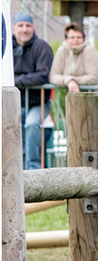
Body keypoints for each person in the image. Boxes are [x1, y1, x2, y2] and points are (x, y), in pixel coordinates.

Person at [11, 14, 54, 169]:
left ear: (33, 28)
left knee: (31, 125)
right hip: (14, 103)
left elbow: (43, 75)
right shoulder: (7, 46)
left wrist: (17, 81)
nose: (24, 29)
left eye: (28, 26)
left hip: (38, 102)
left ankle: (33, 169)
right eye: (21, 25)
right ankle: (16, 169)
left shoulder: (41, 47)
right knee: (13, 129)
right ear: (13, 27)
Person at [50, 23, 98, 94]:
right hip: (73, 98)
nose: (75, 40)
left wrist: (74, 81)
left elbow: (93, 77)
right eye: (72, 37)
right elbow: (53, 76)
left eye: (78, 37)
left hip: (93, 96)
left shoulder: (89, 51)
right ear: (66, 39)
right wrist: (69, 81)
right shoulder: (62, 50)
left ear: (83, 38)